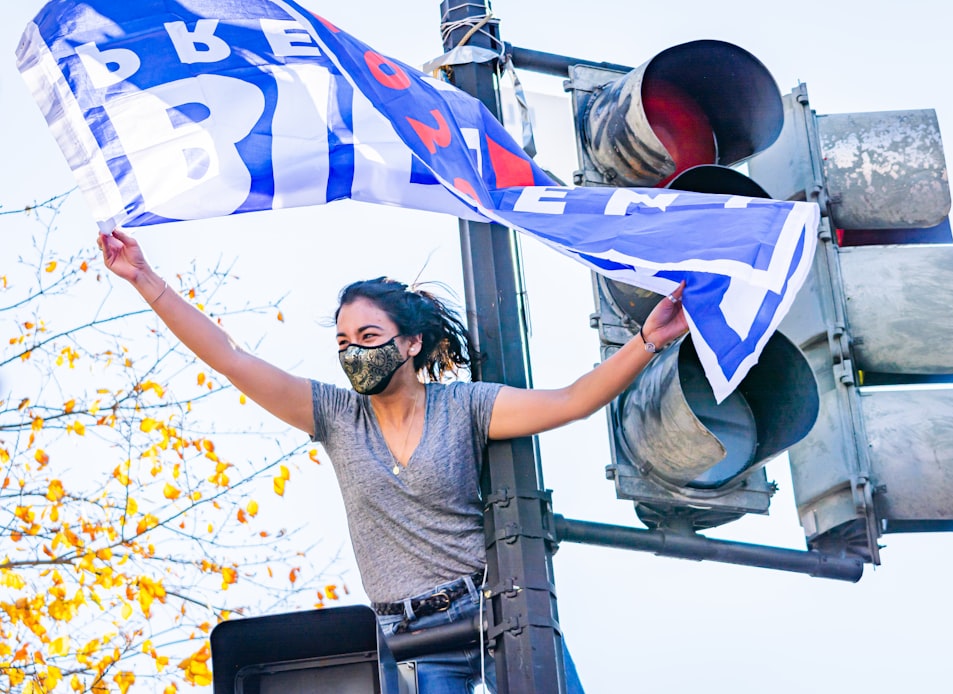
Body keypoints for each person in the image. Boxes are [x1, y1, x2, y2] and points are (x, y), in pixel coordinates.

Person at [98, 228, 688, 693]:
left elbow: (571, 401)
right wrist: (146, 280)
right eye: (343, 342)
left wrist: (649, 340)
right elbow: (230, 357)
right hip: (410, 639)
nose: (354, 350)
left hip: (490, 610)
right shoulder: (334, 415)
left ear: (409, 343)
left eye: (368, 335)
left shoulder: (463, 407)